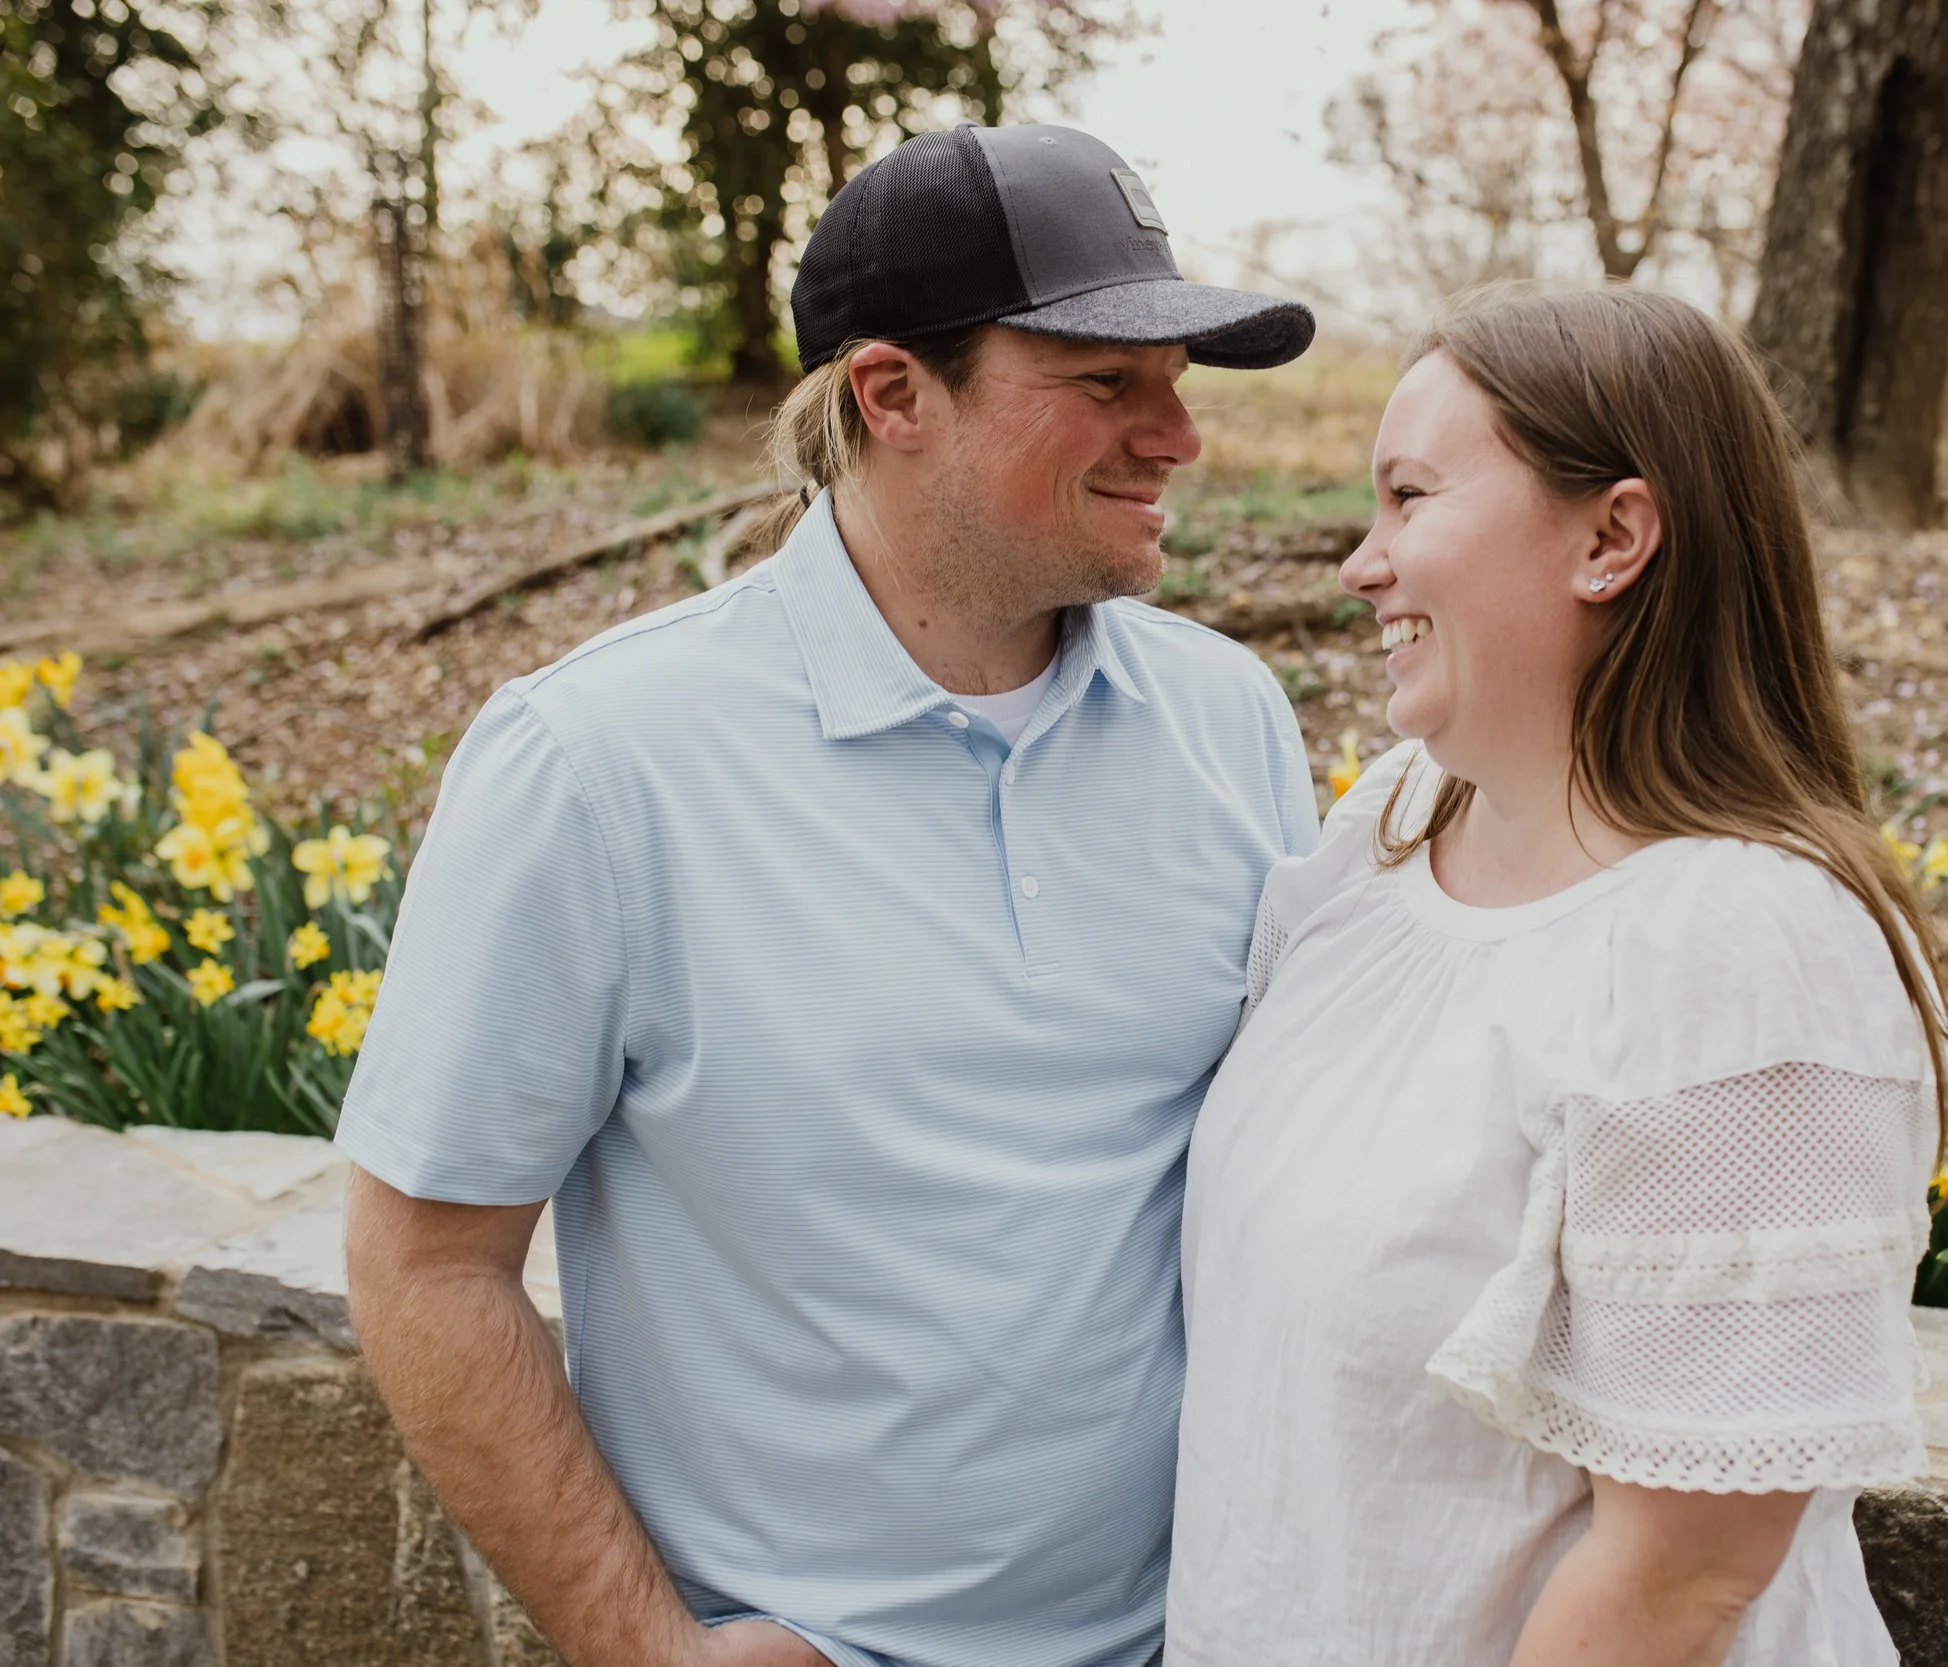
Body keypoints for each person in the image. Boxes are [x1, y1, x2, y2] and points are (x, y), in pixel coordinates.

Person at [337, 123, 1320, 1667]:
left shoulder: (1230, 720)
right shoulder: (598, 765)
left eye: (1180, 380)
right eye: (1105, 383)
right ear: (891, 394)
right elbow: (425, 1259)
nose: (1177, 435)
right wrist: (646, 1646)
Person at [1166, 285, 1948, 1667]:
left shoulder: (1742, 956)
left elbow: (1682, 1575)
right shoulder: (1390, 829)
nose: (1365, 561)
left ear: (1613, 536)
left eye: (1411, 497)